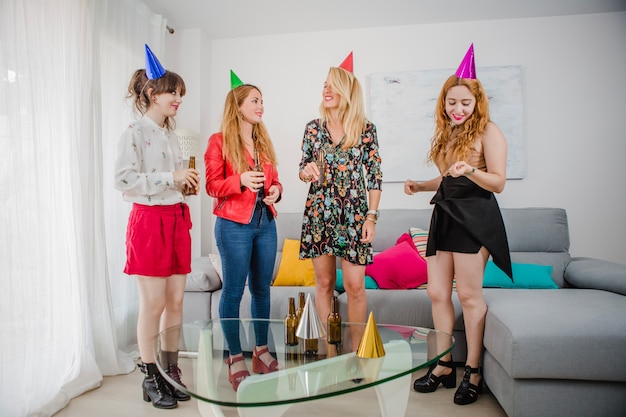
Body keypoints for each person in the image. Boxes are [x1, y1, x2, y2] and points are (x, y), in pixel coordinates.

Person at [405, 44, 512, 405]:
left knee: (468, 295)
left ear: (477, 102)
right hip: (445, 215)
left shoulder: (489, 131)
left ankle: (475, 371)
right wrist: (420, 185)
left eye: (465, 102)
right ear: (444, 103)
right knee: (436, 292)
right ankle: (443, 365)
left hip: (475, 219)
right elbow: (448, 180)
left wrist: (472, 169)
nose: (458, 109)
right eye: (452, 102)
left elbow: (497, 182)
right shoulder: (448, 135)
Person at [114, 45, 199, 409]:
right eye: (172, 92)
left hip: (176, 218)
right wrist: (171, 176)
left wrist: (184, 185)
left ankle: (170, 370)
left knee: (176, 301)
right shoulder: (134, 132)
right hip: (148, 222)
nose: (178, 98)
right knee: (153, 304)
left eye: (180, 94)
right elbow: (124, 180)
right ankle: (150, 377)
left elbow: (168, 180)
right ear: (151, 93)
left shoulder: (169, 134)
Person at [204, 72, 283, 391]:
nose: (261, 106)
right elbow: (211, 186)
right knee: (234, 291)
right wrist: (239, 181)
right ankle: (235, 357)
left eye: (262, 101)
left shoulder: (263, 141)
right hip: (233, 225)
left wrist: (277, 189)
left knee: (262, 290)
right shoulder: (218, 140)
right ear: (237, 107)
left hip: (265, 222)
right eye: (255, 101)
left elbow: (275, 179)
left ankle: (261, 352)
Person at [298, 52, 383, 348]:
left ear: (347, 91)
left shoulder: (366, 129)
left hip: (354, 216)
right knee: (323, 284)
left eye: (333, 85)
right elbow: (303, 167)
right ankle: (330, 353)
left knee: (355, 286)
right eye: (324, 85)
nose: (326, 90)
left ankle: (358, 352)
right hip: (319, 213)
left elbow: (374, 176)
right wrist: (306, 171)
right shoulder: (313, 128)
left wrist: (371, 217)